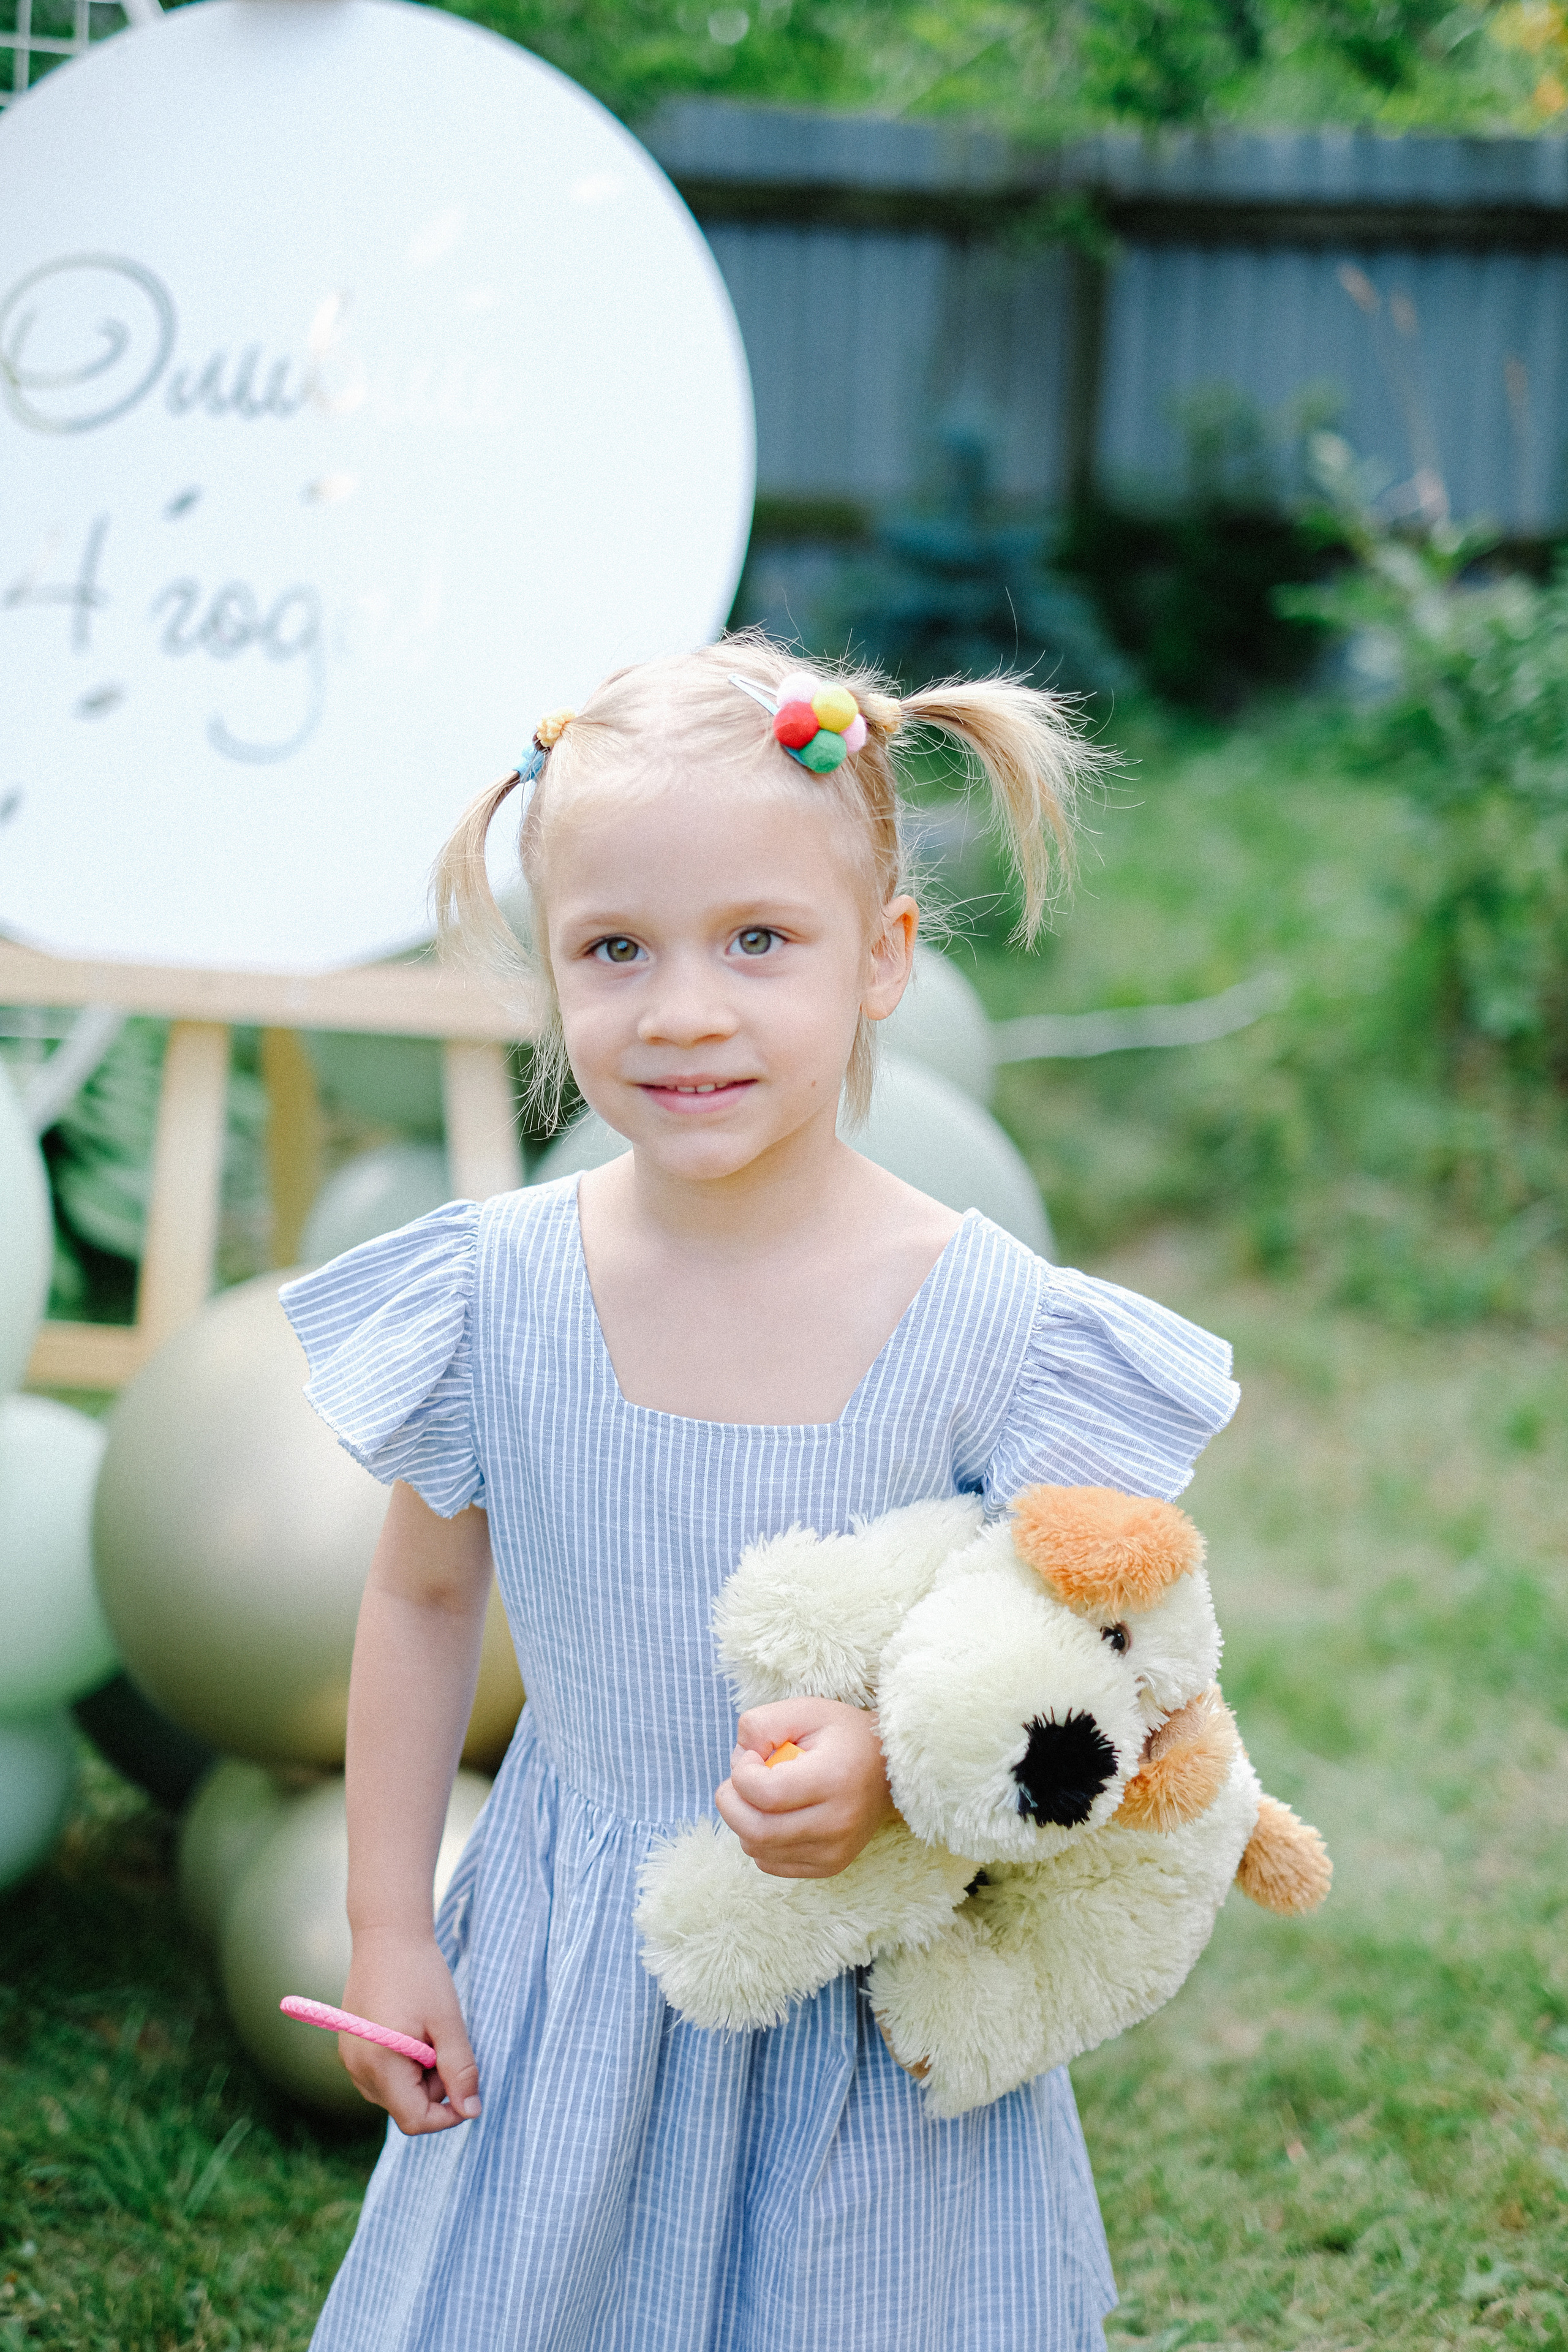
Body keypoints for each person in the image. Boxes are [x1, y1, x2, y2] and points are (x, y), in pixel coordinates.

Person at [281, 635, 1240, 2352]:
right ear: (548, 972)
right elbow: (424, 1601)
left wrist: (912, 1761)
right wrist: (386, 1928)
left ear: (881, 959)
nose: (684, 1009)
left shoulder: (990, 1326)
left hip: (865, 2012)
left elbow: (1125, 1666)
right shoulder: (495, 1295)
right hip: (574, 1968)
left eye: (759, 942)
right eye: (615, 949)